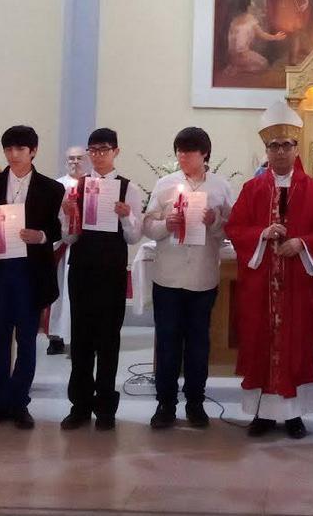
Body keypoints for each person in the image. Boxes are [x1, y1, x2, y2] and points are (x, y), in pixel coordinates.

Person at [225, 100, 313, 439]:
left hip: (298, 286)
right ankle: (262, 413)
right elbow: (235, 228)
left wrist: (301, 243)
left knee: (297, 346)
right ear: (266, 150)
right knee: (262, 344)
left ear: (297, 147)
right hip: (262, 287)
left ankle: (294, 415)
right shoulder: (253, 189)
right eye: (274, 146)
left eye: (287, 145)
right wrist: (262, 234)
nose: (281, 152)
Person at [0, 126, 65, 430]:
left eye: (20, 149)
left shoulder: (51, 188)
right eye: (8, 149)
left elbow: (58, 228)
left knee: (26, 339)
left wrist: (41, 236)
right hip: (0, 271)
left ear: (33, 151)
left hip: (30, 273)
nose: (14, 155)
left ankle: (20, 401)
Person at [142, 127, 234, 429]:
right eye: (179, 151)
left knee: (198, 344)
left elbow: (230, 230)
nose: (182, 156)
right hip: (168, 277)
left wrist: (215, 221)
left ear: (204, 154)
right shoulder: (165, 184)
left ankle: (196, 402)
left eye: (189, 151)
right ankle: (165, 404)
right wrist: (165, 225)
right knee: (167, 342)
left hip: (202, 278)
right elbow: (147, 225)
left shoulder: (220, 187)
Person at [60, 128, 145, 431]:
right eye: (93, 150)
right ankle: (80, 405)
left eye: (103, 150)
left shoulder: (128, 188)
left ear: (116, 152)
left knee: (108, 340)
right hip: (82, 269)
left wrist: (125, 215)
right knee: (81, 340)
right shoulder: (77, 187)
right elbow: (68, 238)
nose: (97, 156)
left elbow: (134, 236)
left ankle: (106, 408)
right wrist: (69, 215)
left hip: (111, 271)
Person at [48, 145, 89, 356]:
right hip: (62, 246)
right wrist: (64, 214)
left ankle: (81, 338)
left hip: (84, 246)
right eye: (71, 158)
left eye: (79, 158)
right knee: (59, 293)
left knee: (80, 295)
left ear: (86, 160)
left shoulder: (92, 185)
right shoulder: (56, 186)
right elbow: (49, 216)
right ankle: (56, 336)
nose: (75, 162)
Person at [223, 0, 286, 75]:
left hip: (231, 56)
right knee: (264, 64)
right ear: (248, 6)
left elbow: (232, 41)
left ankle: (236, 66)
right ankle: (240, 69)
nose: (254, 4)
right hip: (243, 55)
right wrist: (276, 37)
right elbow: (262, 35)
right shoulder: (250, 19)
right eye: (252, 2)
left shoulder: (235, 19)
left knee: (258, 62)